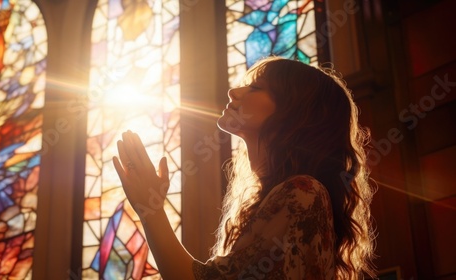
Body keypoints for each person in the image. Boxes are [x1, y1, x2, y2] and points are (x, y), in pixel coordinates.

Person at [113, 57, 376, 279]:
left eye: (256, 87)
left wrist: (152, 210)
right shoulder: (277, 196)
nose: (233, 92)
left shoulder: (303, 192)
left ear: (294, 112)